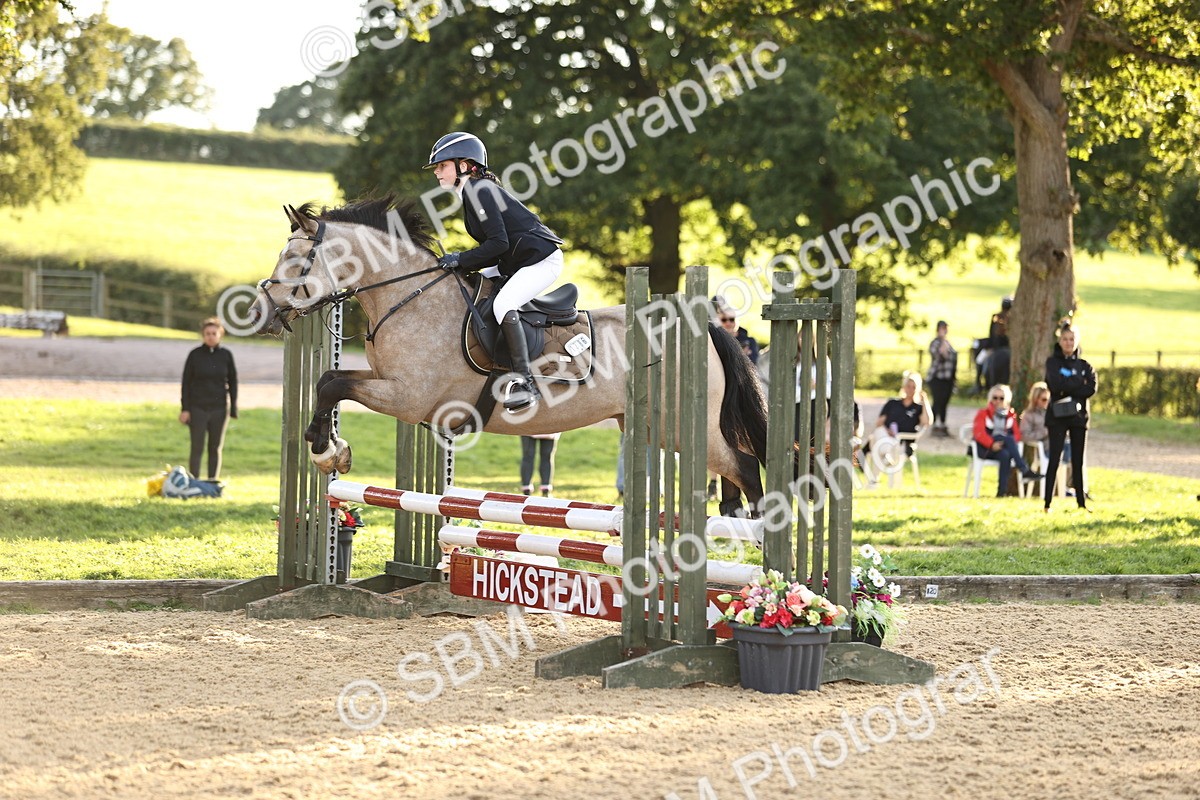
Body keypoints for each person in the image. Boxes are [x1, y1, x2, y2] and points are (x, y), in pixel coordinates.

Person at [425, 132, 565, 412]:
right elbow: (498, 246)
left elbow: (498, 243)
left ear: (464, 165)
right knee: (470, 285)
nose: (437, 172)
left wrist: (460, 259)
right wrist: (460, 265)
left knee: (503, 304)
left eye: (442, 166)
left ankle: (526, 383)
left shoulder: (479, 191)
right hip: (516, 260)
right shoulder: (472, 192)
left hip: (541, 259)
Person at [1043, 324, 1096, 512]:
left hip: (1079, 418)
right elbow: (1055, 385)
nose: (1068, 342)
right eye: (1065, 339)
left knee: (1078, 460)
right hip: (1057, 417)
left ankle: (1081, 503)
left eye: (1072, 339)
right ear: (1060, 341)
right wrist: (1077, 383)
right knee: (1054, 458)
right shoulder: (1052, 363)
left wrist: (1069, 385)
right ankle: (1047, 502)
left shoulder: (1085, 365)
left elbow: (1090, 388)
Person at [180, 317, 237, 481]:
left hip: (219, 408)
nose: (211, 336)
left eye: (214, 333)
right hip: (197, 407)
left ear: (220, 334)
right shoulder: (194, 355)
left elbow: (233, 382)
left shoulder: (226, 355)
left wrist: (233, 407)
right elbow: (186, 383)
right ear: (203, 335)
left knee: (215, 447)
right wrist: (185, 409)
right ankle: (194, 481)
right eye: (207, 334)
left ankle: (212, 481)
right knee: (196, 447)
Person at [972, 384, 1041, 497]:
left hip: (1002, 448)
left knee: (1006, 454)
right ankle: (1023, 469)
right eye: (995, 397)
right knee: (1008, 439)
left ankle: (1001, 492)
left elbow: (1017, 435)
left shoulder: (1010, 415)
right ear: (990, 398)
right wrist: (992, 444)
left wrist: (1003, 443)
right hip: (985, 449)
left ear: (1006, 400)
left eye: (1001, 398)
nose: (998, 401)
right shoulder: (983, 414)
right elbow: (979, 433)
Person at [925, 320, 957, 437]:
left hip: (948, 379)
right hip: (937, 378)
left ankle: (942, 424)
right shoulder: (935, 343)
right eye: (942, 328)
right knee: (937, 401)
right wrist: (942, 339)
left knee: (944, 402)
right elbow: (941, 354)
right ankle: (934, 425)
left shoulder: (949, 343)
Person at [985, 296, 1012, 386]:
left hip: (998, 349)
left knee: (982, 364)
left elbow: (991, 336)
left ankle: (979, 384)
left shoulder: (998, 318)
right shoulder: (997, 317)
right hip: (1000, 349)